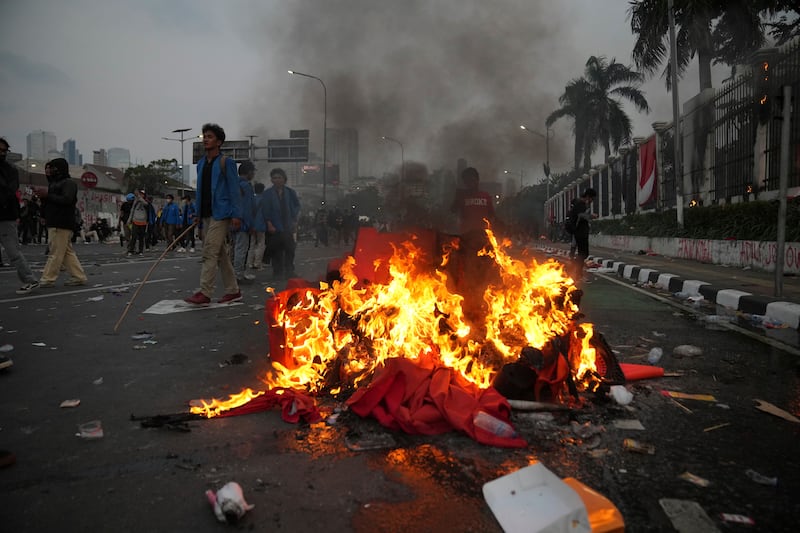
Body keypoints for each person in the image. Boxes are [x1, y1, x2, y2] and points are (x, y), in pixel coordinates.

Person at [184, 123, 243, 306]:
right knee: (220, 254)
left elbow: (234, 190)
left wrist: (236, 214)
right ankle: (233, 290)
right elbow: (200, 190)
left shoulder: (227, 162)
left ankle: (205, 292)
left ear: (218, 141)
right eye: (204, 137)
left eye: (209, 137)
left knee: (209, 250)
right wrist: (197, 214)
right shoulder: (201, 164)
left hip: (222, 213)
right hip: (207, 214)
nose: (206, 140)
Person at [449, 166, 496, 322]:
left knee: (485, 273)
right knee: (468, 273)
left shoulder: (485, 196)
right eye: (466, 181)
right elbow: (451, 211)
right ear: (464, 182)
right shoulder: (461, 196)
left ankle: (482, 305)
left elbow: (492, 216)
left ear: (477, 180)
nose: (469, 183)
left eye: (472, 180)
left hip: (483, 239)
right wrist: (457, 197)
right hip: (467, 240)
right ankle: (469, 306)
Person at [39, 158, 88, 287]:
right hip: (56, 221)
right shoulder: (55, 183)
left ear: (59, 168)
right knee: (66, 252)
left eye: (53, 168)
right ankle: (78, 276)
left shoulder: (68, 183)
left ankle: (48, 278)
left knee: (55, 252)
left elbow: (67, 199)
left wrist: (47, 195)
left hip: (61, 222)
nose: (50, 170)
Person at [0, 137, 40, 294]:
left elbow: (9, 192)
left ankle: (30, 279)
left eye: (4, 150)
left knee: (12, 251)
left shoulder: (10, 170)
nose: (2, 153)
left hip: (5, 216)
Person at [259, 167, 300, 280]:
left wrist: (294, 219)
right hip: (274, 226)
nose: (277, 180)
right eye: (274, 178)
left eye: (279, 177)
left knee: (290, 249)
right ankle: (277, 271)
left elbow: (297, 206)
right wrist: (269, 223)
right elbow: (265, 210)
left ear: (284, 179)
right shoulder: (267, 194)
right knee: (277, 250)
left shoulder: (290, 192)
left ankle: (289, 270)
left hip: (287, 225)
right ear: (272, 180)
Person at [566, 187, 597, 282]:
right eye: (592, 198)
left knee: (582, 254)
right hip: (580, 233)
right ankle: (576, 271)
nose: (592, 201)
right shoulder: (581, 204)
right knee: (583, 254)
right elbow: (580, 215)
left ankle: (576, 271)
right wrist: (591, 216)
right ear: (588, 196)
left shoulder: (579, 204)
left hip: (579, 232)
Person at [233, 161, 256, 282]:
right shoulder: (246, 185)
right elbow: (247, 207)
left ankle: (234, 274)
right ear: (249, 172)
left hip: (233, 222)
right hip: (243, 223)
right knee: (241, 249)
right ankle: (238, 275)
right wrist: (250, 224)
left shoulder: (233, 184)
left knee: (235, 248)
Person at [246, 182, 267, 271]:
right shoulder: (265, 200)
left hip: (252, 224)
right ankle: (257, 263)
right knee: (261, 244)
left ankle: (249, 263)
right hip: (261, 224)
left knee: (251, 244)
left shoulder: (252, 199)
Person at [127, 190, 149, 256]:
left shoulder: (145, 201)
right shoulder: (135, 201)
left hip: (143, 221)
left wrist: (140, 198)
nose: (141, 195)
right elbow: (132, 210)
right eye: (140, 194)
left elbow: (146, 204)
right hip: (135, 220)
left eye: (142, 194)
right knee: (133, 236)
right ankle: (131, 250)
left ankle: (140, 250)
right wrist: (129, 220)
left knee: (141, 237)